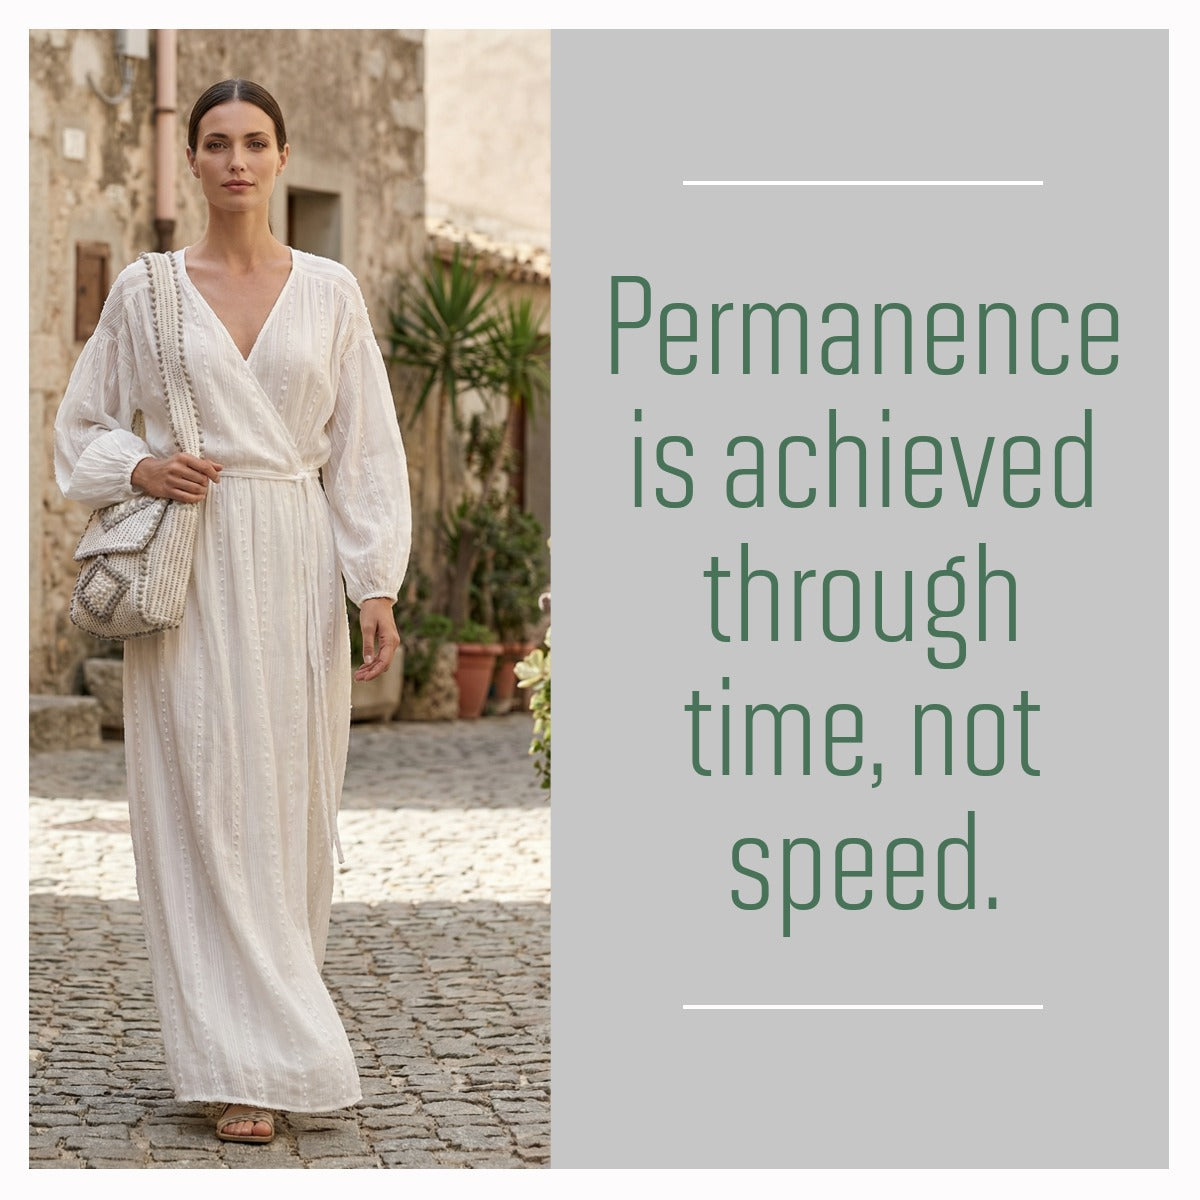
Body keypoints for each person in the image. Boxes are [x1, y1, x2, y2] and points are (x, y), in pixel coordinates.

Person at [54, 79, 411, 1145]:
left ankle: (275, 1036)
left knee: (289, 803)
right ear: (195, 160)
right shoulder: (148, 291)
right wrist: (141, 465)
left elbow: (365, 446)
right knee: (202, 797)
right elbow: (82, 425)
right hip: (192, 563)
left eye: (256, 142)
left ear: (283, 157)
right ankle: (234, 1063)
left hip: (295, 556)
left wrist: (374, 581)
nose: (237, 161)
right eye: (216, 143)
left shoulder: (332, 291)